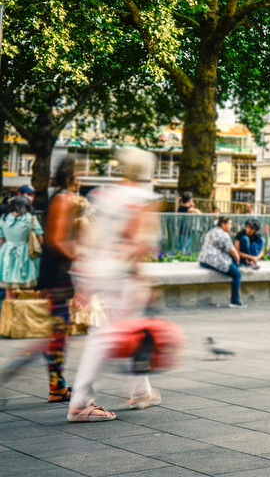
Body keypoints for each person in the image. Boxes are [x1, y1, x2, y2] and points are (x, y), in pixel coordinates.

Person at [67, 148, 163, 422]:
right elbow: (136, 242)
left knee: (124, 331)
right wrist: (141, 278)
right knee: (108, 337)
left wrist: (84, 282)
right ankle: (81, 401)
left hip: (97, 270)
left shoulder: (105, 195)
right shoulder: (142, 199)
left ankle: (140, 390)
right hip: (121, 275)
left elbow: (91, 238)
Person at [38, 157, 86, 403]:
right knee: (58, 332)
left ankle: (58, 384)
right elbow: (56, 240)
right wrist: (78, 255)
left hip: (56, 274)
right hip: (57, 276)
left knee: (60, 330)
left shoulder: (61, 197)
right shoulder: (63, 199)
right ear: (71, 174)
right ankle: (56, 386)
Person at [198, 217, 245, 307]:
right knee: (237, 274)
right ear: (223, 224)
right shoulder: (224, 234)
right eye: (229, 224)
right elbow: (232, 251)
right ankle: (235, 301)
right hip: (215, 260)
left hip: (204, 260)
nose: (230, 226)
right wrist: (237, 260)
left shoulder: (211, 231)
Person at [0, 195, 44, 291]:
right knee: (28, 287)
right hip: (26, 253)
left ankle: (9, 305)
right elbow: (40, 238)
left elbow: (1, 239)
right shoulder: (31, 219)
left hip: (6, 253)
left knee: (9, 289)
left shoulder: (4, 218)